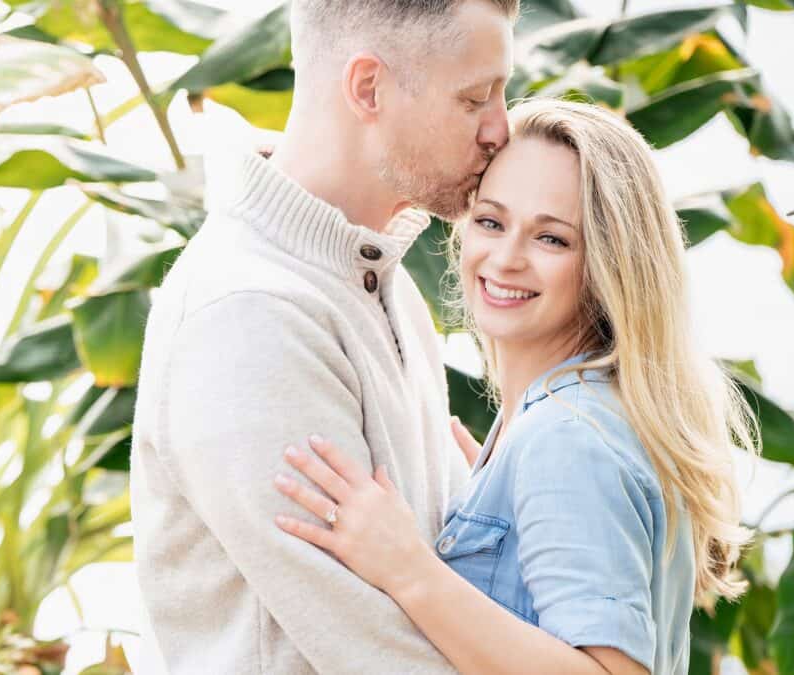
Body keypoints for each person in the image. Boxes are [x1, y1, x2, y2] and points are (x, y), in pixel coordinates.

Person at [273, 99, 758, 675]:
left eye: (551, 239)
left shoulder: (567, 437)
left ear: (609, 265)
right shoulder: (569, 420)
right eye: (490, 222)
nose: (505, 258)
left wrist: (407, 569)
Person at [129, 0, 516, 672]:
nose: (500, 129)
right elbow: (386, 655)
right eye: (476, 97)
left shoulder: (372, 278)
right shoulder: (248, 318)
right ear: (369, 87)